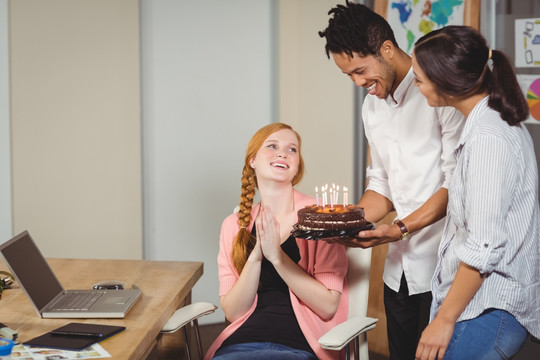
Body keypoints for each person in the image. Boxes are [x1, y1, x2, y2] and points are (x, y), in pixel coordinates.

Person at [318, 2, 465, 359]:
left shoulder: (438, 94)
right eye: (348, 76)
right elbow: (381, 185)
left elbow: (457, 182)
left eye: (360, 70)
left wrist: (399, 228)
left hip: (444, 266)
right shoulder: (372, 108)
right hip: (398, 271)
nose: (357, 83)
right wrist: (347, 221)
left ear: (386, 49)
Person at [411, 25, 540, 360]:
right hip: (480, 304)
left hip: (489, 307)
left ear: (447, 83)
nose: (416, 85)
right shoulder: (489, 122)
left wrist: (443, 319)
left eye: (420, 78)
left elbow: (484, 246)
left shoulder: (488, 138)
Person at [204, 123, 349, 360]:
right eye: (272, 146)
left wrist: (277, 257)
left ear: (296, 168)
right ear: (252, 160)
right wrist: (257, 256)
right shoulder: (233, 225)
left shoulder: (321, 217)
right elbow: (233, 312)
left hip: (299, 345)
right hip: (242, 343)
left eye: (292, 149)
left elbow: (328, 305)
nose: (283, 153)